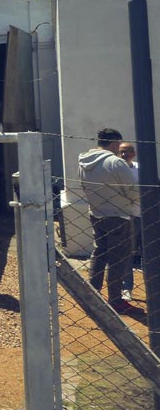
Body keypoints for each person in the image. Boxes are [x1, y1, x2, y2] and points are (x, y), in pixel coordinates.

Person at [78, 128, 140, 315]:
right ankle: (115, 300)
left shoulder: (83, 161)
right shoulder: (115, 162)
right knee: (118, 259)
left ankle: (93, 295)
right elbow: (133, 191)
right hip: (118, 215)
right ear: (114, 143)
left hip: (96, 213)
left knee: (99, 253)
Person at [118, 141, 141, 302]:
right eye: (123, 151)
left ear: (134, 153)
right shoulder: (116, 169)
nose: (126, 154)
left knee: (149, 252)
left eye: (129, 151)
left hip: (143, 215)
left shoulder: (141, 168)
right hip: (125, 215)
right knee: (126, 253)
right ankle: (127, 288)